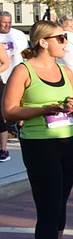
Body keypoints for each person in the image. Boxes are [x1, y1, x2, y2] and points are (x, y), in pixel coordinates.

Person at [1, 21, 73, 239]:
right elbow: (9, 111)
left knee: (60, 208)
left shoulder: (65, 70)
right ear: (43, 42)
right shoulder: (23, 70)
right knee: (49, 210)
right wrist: (44, 109)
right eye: (61, 38)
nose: (66, 42)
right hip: (40, 145)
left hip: (68, 142)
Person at [0, 11, 29, 158]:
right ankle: (9, 130)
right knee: (4, 108)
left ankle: (20, 128)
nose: (7, 25)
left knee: (20, 103)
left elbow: (26, 54)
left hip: (17, 74)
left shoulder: (18, 35)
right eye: (4, 22)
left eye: (9, 22)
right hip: (2, 77)